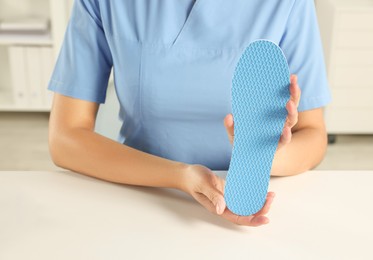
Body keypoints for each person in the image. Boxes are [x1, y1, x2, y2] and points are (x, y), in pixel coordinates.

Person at [48, 0, 331, 227]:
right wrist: (180, 176)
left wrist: (261, 157)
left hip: (250, 199)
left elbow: (313, 134)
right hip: (142, 193)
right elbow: (65, 137)